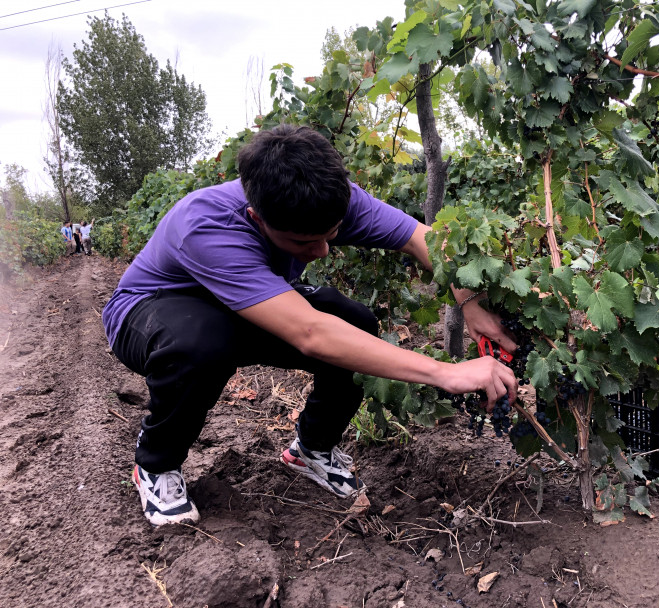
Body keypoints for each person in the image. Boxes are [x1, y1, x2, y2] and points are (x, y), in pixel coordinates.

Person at [102, 125, 518, 527]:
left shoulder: (327, 197)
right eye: (303, 244)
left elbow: (417, 237)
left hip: (246, 307)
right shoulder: (207, 226)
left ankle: (311, 449)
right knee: (203, 341)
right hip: (152, 313)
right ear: (256, 218)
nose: (320, 251)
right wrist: (446, 373)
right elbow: (311, 333)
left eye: (331, 235)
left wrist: (470, 303)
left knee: (354, 321)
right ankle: (155, 465)